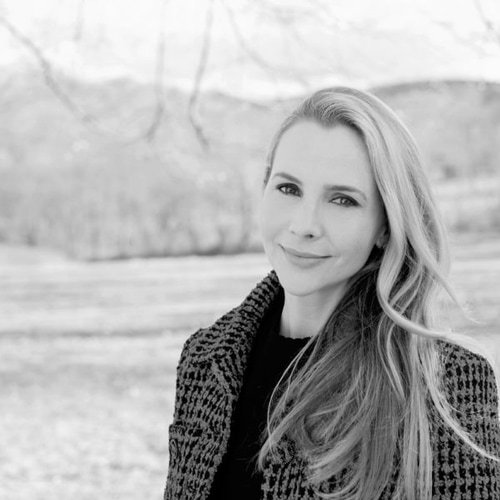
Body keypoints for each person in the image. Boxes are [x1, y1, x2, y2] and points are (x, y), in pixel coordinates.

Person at [163, 87, 500, 499]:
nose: (304, 225)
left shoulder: (446, 383)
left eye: (342, 200)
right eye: (289, 189)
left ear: (385, 226)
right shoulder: (204, 359)